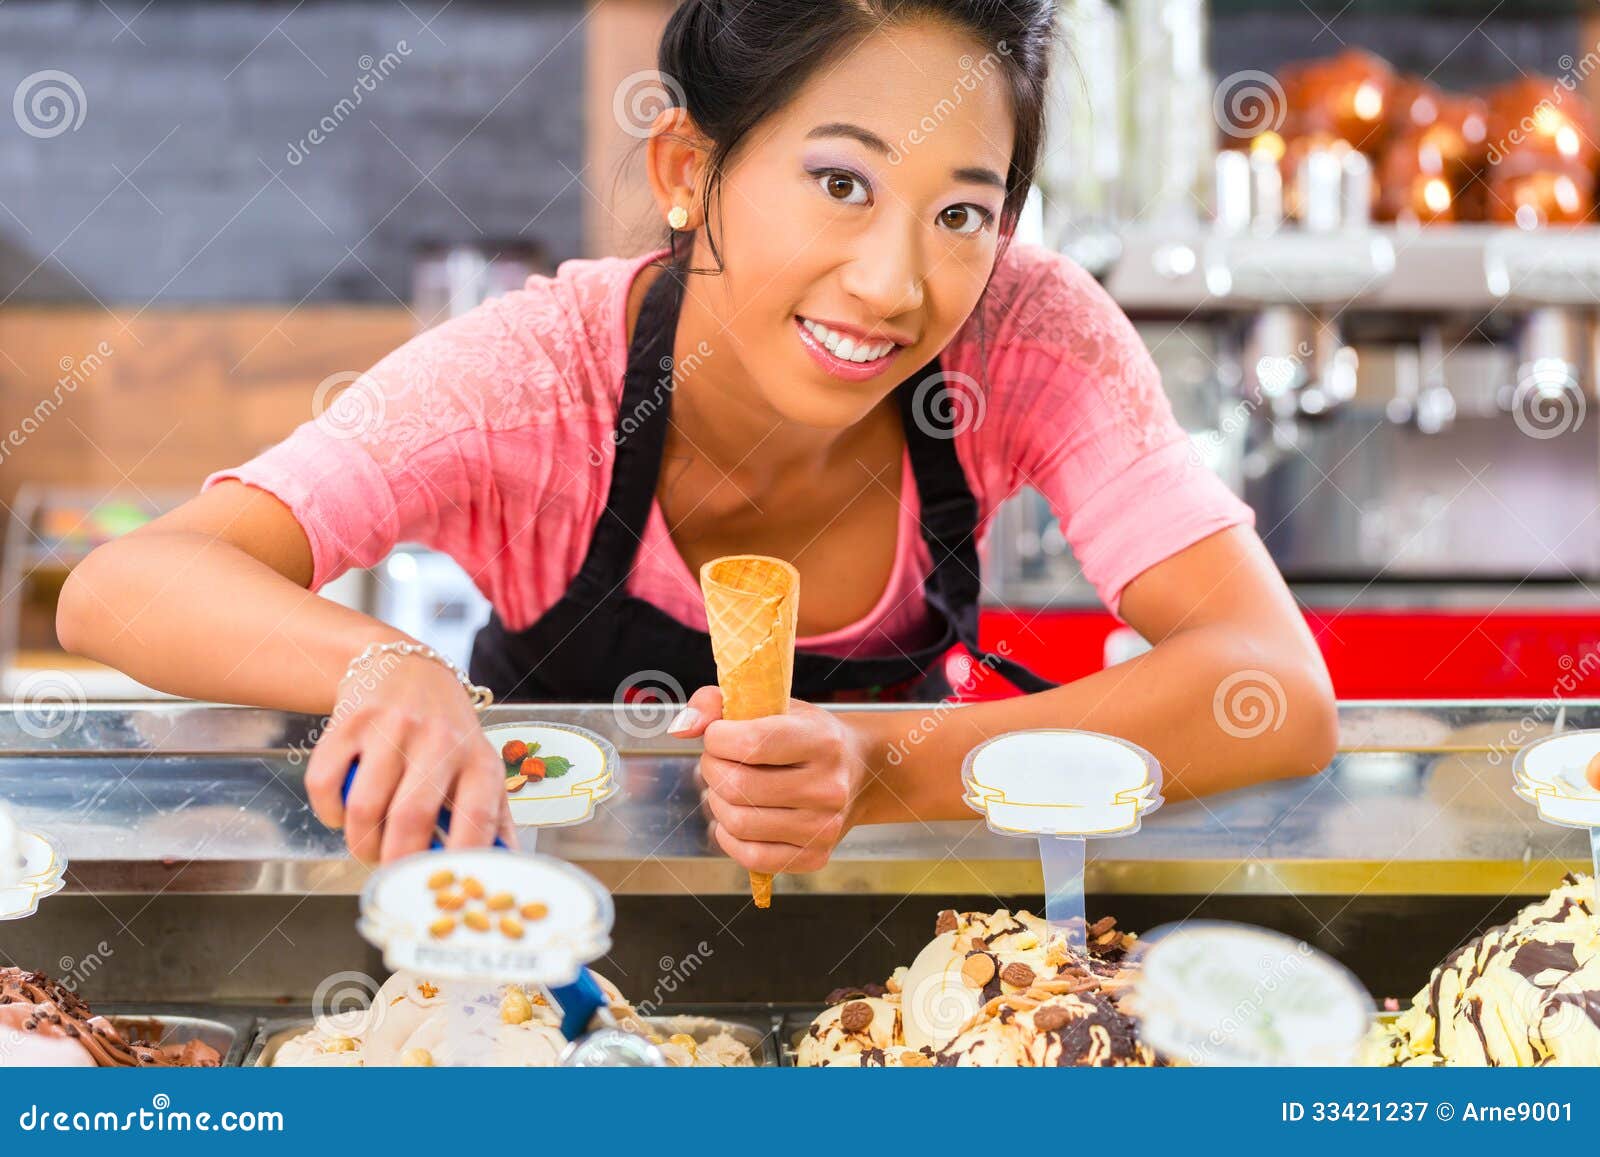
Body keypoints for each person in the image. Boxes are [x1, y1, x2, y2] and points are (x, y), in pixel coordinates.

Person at [58, 0, 1337, 871]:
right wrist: (387, 668)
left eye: (964, 209)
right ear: (687, 172)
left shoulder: (1027, 332)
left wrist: (878, 765)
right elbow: (130, 584)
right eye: (841, 183)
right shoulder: (534, 378)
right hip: (558, 953)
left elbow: (1272, 690)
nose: (897, 281)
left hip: (905, 961)